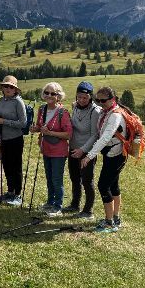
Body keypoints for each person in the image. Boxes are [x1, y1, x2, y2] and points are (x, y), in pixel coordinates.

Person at [81, 86, 127, 233]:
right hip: (110, 153)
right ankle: (115, 218)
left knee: (103, 185)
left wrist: (89, 156)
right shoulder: (106, 111)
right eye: (97, 100)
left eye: (103, 100)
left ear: (112, 99)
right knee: (113, 185)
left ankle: (109, 222)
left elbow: (105, 137)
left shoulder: (115, 116)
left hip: (116, 155)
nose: (100, 103)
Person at [31, 82, 72, 216]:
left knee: (56, 179)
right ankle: (49, 202)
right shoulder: (42, 109)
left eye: (53, 93)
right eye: (46, 93)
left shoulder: (63, 112)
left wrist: (50, 133)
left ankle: (58, 206)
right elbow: (39, 126)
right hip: (46, 148)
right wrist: (35, 129)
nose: (49, 95)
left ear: (58, 96)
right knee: (49, 178)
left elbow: (68, 134)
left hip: (59, 151)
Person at [66, 81, 101, 219]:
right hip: (73, 148)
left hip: (87, 151)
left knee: (87, 180)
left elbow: (95, 135)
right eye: (79, 97)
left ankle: (88, 210)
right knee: (74, 178)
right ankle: (75, 204)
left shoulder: (95, 111)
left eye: (85, 97)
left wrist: (83, 150)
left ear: (90, 97)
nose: (81, 100)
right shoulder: (75, 107)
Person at [0, 75, 27, 206]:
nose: (8, 88)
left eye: (11, 87)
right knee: (6, 165)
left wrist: (4, 121)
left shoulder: (18, 102)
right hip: (4, 138)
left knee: (16, 166)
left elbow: (23, 123)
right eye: (5, 86)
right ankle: (10, 191)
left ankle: (18, 194)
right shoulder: (1, 100)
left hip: (15, 139)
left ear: (15, 89)